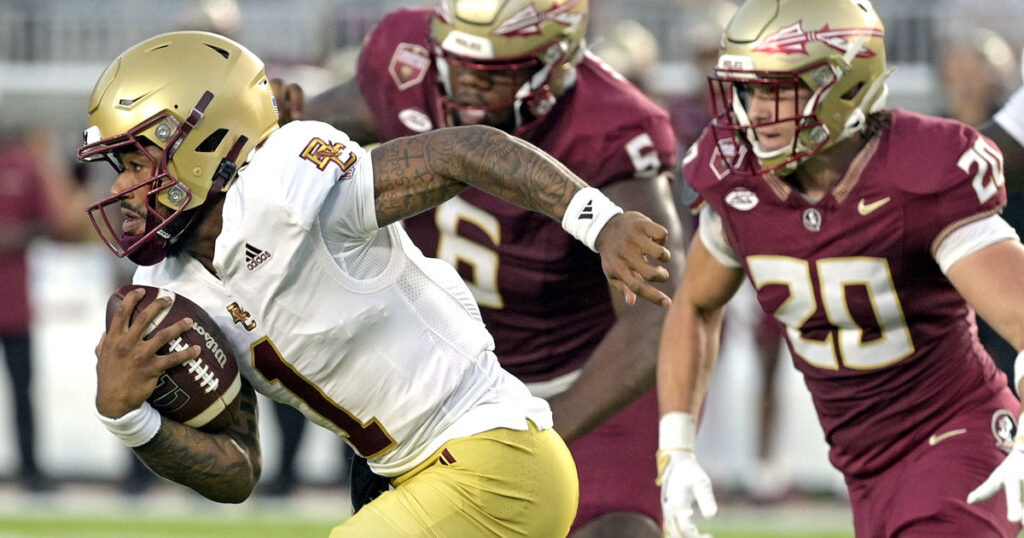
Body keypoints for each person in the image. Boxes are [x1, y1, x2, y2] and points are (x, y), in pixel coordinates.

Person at [81, 31, 673, 537]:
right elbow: (239, 469)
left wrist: (599, 221)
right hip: (400, 478)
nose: (118, 192)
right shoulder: (167, 289)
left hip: (493, 455)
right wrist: (129, 420)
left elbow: (463, 151)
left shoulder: (285, 186)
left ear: (207, 145)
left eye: (137, 163)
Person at [292, 1, 685, 534]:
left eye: (495, 73)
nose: (468, 83)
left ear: (555, 64)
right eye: (457, 63)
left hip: (582, 380)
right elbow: (310, 140)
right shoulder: (407, 64)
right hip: (444, 382)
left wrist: (541, 428)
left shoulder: (609, 125)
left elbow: (655, 319)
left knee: (617, 530)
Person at [655, 0, 1024, 536]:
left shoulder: (921, 168)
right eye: (749, 89)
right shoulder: (738, 180)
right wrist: (676, 444)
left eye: (778, 89)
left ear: (844, 84)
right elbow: (695, 304)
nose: (756, 110)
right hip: (858, 464)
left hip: (953, 437)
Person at [0, 127, 88, 492]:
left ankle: (30, 468)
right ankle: (30, 470)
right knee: (23, 389)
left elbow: (57, 225)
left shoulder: (23, 166)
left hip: (14, 302)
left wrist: (18, 234)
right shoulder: (25, 165)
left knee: (24, 389)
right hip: (14, 299)